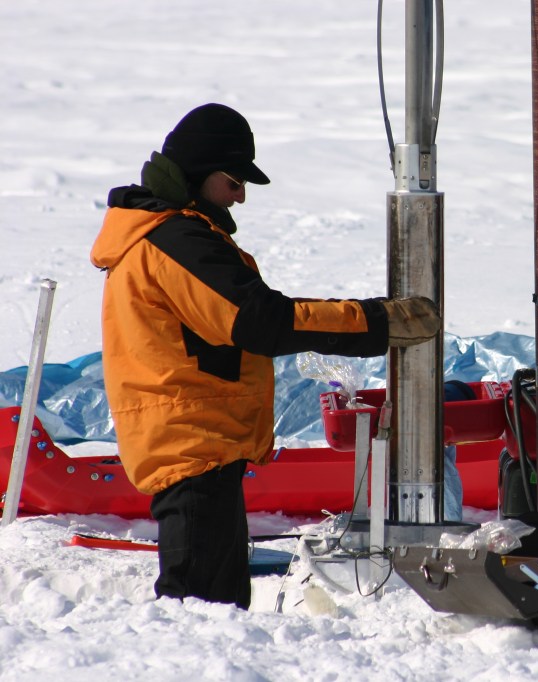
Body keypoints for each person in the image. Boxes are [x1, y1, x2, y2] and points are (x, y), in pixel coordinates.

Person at [90, 103, 440, 609]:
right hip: (191, 443)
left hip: (198, 442)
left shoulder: (165, 234)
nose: (241, 196)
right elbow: (259, 320)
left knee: (219, 608)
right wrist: (376, 322)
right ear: (199, 173)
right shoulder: (173, 239)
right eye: (233, 180)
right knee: (199, 612)